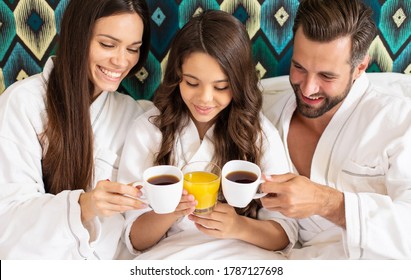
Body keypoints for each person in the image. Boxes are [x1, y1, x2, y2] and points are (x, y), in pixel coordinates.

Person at [117, 10, 296, 259]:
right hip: (171, 258)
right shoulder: (149, 129)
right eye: (191, 83)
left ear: (239, 83)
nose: (204, 99)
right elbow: (134, 239)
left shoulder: (258, 132)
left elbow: (285, 233)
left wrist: (238, 226)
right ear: (177, 76)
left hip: (243, 257)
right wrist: (170, 211)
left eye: (221, 87)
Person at [0, 0, 151, 259]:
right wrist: (84, 205)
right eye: (107, 44)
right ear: (78, 37)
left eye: (133, 49)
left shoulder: (134, 115)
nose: (121, 61)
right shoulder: (23, 103)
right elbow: (7, 222)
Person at [261, 0, 411, 259]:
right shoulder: (267, 120)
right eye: (298, 67)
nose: (307, 89)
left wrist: (328, 202)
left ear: (360, 67)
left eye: (327, 76)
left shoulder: (399, 122)